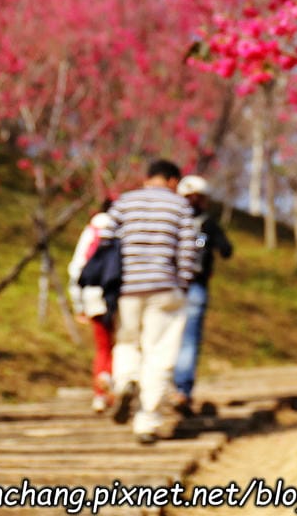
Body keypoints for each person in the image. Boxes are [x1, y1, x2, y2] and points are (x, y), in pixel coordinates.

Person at [108, 157, 198, 442]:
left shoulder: (124, 202)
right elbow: (188, 250)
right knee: (159, 353)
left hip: (127, 288)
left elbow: (107, 240)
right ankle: (147, 421)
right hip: (164, 288)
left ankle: (125, 381)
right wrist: (183, 284)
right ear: (173, 181)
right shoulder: (180, 205)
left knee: (127, 342)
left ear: (148, 177)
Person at [172, 175, 233, 414]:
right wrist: (203, 242)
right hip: (195, 285)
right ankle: (182, 390)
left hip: (168, 284)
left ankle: (166, 388)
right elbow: (225, 249)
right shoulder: (204, 225)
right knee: (188, 339)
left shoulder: (172, 220)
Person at [68, 199, 119, 412]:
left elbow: (77, 268)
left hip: (93, 295)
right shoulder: (123, 228)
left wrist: (78, 304)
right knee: (122, 345)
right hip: (119, 294)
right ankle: (116, 389)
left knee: (102, 347)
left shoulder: (92, 229)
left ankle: (100, 393)